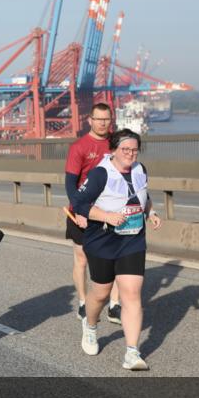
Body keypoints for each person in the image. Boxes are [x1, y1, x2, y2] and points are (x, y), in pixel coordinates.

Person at [72, 129, 162, 370]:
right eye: (125, 150)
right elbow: (80, 204)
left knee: (131, 294)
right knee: (101, 293)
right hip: (102, 238)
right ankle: (90, 325)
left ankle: (132, 352)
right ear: (114, 150)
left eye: (134, 150)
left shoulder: (140, 170)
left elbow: (143, 195)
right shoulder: (101, 173)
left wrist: (150, 212)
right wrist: (106, 216)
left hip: (132, 239)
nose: (131, 154)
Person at [65, 103, 121, 324]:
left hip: (109, 211)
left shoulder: (116, 144)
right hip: (82, 210)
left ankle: (114, 304)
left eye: (106, 119)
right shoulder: (79, 147)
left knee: (115, 258)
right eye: (98, 119)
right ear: (90, 120)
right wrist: (79, 210)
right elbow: (70, 184)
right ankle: (82, 302)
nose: (103, 123)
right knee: (82, 259)